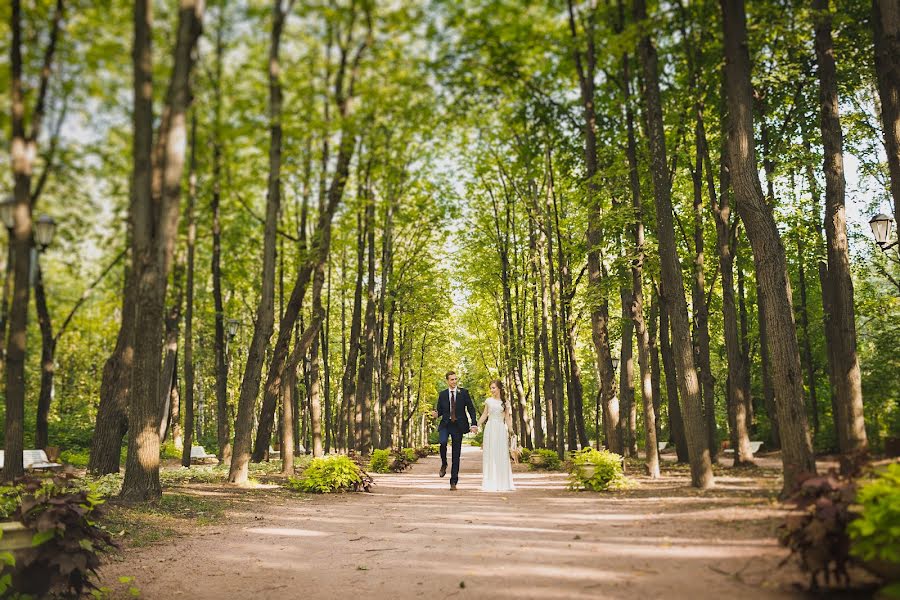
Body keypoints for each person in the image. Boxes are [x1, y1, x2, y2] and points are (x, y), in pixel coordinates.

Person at [431, 371, 478, 490]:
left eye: (455, 379)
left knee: (456, 454)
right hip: (446, 424)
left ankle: (453, 481)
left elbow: (471, 409)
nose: (454, 381)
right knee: (442, 442)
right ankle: (444, 463)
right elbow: (440, 411)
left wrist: (473, 423)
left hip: (458, 426)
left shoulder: (464, 393)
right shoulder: (442, 394)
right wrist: (436, 414)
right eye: (451, 379)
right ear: (447, 381)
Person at [477, 379, 516, 492]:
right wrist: (476, 425)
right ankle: (490, 482)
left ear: (499, 388)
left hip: (500, 429)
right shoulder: (488, 401)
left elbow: (507, 418)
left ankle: (503, 482)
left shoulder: (505, 403)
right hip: (490, 429)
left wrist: (511, 430)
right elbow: (485, 415)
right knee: (490, 454)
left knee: (501, 454)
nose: (491, 390)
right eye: (491, 388)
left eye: (493, 388)